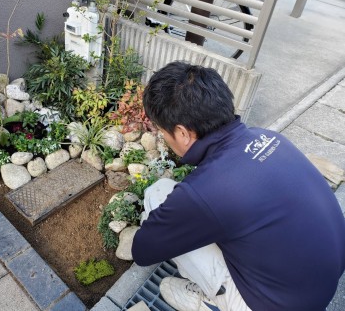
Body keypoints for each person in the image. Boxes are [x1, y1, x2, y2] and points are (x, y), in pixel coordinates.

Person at [131, 61, 345, 311]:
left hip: (275, 304)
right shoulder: (269, 138)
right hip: (323, 283)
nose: (163, 139)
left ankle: (212, 302)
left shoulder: (204, 192)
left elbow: (143, 251)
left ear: (182, 133)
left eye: (162, 132)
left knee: (157, 194)